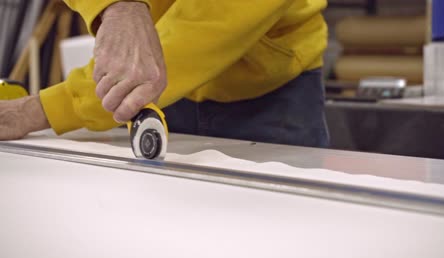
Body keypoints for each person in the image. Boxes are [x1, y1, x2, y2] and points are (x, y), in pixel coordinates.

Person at [0, 0, 329, 147]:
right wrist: (116, 5)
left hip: (268, 94)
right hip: (158, 94)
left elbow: (207, 26)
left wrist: (44, 109)